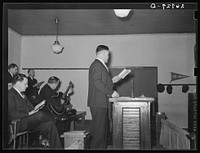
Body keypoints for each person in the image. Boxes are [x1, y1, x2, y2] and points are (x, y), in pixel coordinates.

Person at [8, 73, 62, 149]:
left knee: (50, 124)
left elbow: (31, 108)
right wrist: (29, 113)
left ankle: (57, 148)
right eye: (25, 84)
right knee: (41, 115)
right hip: (18, 123)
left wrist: (36, 108)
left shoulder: (22, 94)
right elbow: (11, 113)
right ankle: (55, 118)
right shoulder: (10, 94)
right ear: (18, 83)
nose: (27, 86)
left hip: (29, 121)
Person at [87, 45, 121, 149]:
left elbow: (101, 82)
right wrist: (111, 92)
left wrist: (112, 81)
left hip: (101, 102)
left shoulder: (100, 65)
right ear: (102, 54)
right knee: (99, 132)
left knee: (102, 131)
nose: (108, 57)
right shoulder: (97, 65)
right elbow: (97, 83)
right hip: (98, 103)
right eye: (107, 54)